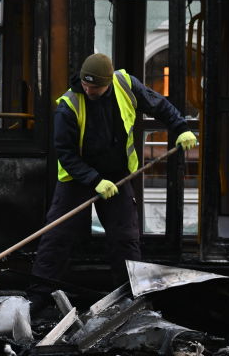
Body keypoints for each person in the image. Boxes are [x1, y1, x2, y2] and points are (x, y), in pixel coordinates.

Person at [28, 53, 198, 314]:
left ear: (107, 82)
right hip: (77, 180)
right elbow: (65, 152)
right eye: (85, 84)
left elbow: (159, 105)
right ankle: (36, 300)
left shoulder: (126, 85)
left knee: (125, 239)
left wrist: (181, 127)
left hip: (118, 176)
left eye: (94, 86)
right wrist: (94, 181)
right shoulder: (68, 106)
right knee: (57, 237)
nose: (88, 89)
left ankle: (132, 300)